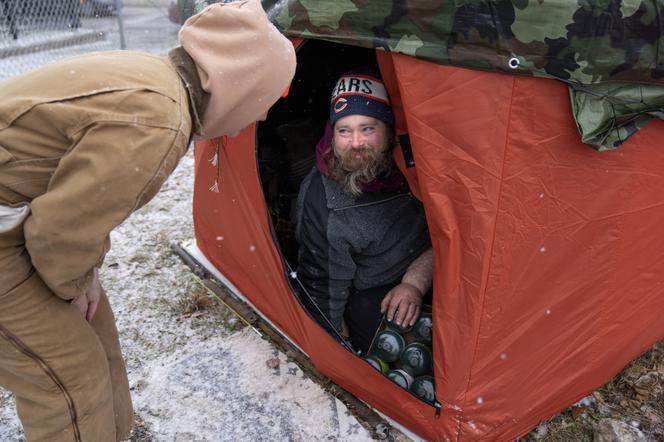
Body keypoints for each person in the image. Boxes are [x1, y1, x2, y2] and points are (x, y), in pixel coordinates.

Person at [0, 1, 295, 440]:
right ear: (242, 85)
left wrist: (84, 277)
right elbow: (59, 236)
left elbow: (76, 212)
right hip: (15, 225)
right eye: (270, 97)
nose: (265, 113)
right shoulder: (160, 123)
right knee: (69, 378)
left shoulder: (155, 79)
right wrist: (72, 282)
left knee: (96, 332)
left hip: (17, 215)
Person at [295, 68, 433, 354]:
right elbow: (323, 292)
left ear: (389, 129)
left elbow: (456, 229)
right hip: (379, 297)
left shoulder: (419, 162)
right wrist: (337, 353)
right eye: (344, 131)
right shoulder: (324, 205)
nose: (356, 143)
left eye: (367, 128)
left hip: (438, 267)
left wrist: (415, 281)